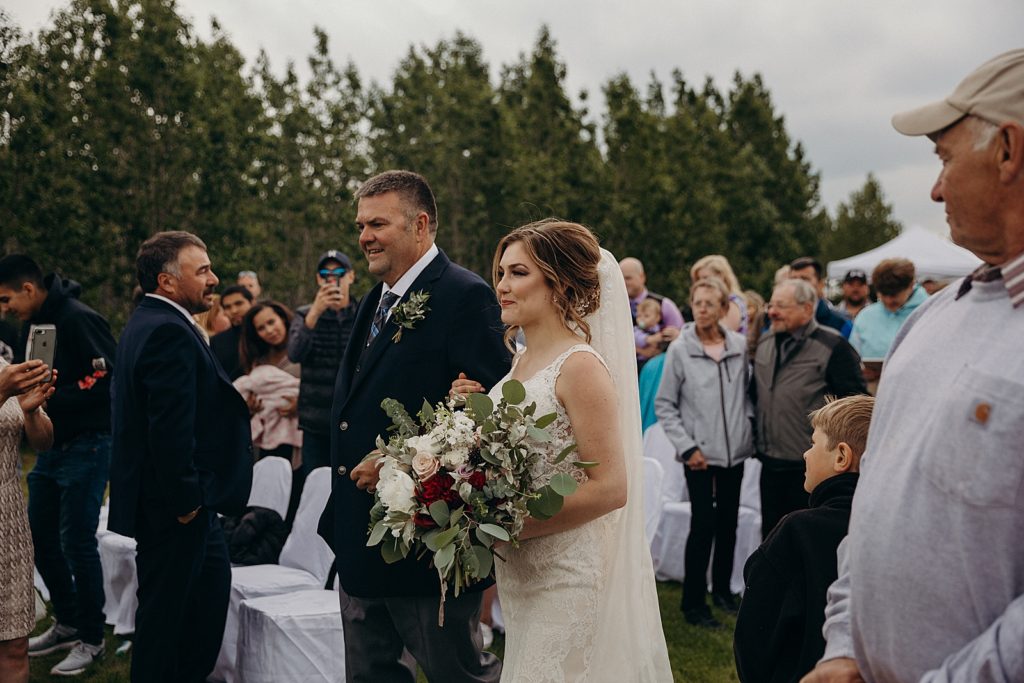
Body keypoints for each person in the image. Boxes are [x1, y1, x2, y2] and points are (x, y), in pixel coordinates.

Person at [804, 49, 1024, 683]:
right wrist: (844, 644)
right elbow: (873, 506)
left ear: (1009, 151)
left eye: (945, 158)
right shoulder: (932, 318)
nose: (933, 188)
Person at [454, 219, 672, 681]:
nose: (501, 286)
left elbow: (612, 488)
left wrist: (506, 524)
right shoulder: (520, 362)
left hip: (568, 575)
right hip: (523, 575)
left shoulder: (580, 367)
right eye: (500, 273)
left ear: (558, 283)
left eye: (518, 273)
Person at [318, 170, 510, 683]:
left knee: (457, 676)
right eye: (361, 225)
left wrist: (398, 461)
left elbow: (492, 418)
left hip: (426, 543)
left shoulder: (464, 295)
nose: (364, 236)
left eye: (378, 223)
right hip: (360, 535)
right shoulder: (373, 301)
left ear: (420, 224)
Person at [109, 231, 252, 683]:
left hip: (185, 507)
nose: (215, 279)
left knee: (200, 610)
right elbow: (168, 429)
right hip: (176, 510)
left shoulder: (152, 321)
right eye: (203, 270)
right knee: (168, 625)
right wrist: (188, 502)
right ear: (167, 282)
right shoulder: (166, 331)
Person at [0, 254, 116, 676]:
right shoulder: (31, 324)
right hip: (52, 445)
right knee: (40, 536)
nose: (5, 308)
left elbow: (105, 375)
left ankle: (92, 637)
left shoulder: (78, 318)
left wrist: (51, 397)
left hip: (88, 444)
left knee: (77, 542)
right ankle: (67, 622)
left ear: (28, 289)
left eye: (6, 298)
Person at [734, 394, 873, 683]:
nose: (806, 454)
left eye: (813, 443)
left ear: (841, 457)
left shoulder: (798, 531)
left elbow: (755, 636)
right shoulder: (889, 531)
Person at [655, 276, 754, 628]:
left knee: (728, 524)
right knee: (703, 526)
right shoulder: (681, 349)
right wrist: (688, 447)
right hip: (698, 456)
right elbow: (665, 404)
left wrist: (748, 429)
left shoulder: (740, 346)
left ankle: (724, 592)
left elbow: (748, 394)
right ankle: (693, 603)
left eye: (709, 304)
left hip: (735, 454)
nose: (702, 309)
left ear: (724, 309)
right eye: (697, 303)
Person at [752, 278, 865, 538]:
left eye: (782, 306)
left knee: (805, 539)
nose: (772, 311)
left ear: (807, 308)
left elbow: (854, 404)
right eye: (771, 304)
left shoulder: (833, 346)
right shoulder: (766, 341)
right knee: (771, 536)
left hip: (810, 467)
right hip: (770, 463)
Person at [0, 359, 55, 683]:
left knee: (15, 645)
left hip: (8, 519)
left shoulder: (2, 363)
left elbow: (43, 442)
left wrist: (32, 411)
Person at [288, 250, 359, 478]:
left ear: (351, 276)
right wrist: (315, 312)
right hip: (315, 423)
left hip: (354, 420)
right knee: (316, 487)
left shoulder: (363, 314)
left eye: (339, 272)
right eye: (325, 274)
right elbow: (294, 353)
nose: (332, 278)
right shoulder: (304, 315)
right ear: (319, 279)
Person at [849, 258, 928, 363]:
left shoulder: (929, 312)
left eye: (894, 295)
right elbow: (852, 357)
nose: (888, 300)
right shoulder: (865, 316)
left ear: (911, 285)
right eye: (883, 294)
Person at [619, 256, 684, 367]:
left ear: (642, 277)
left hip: (656, 368)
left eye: (628, 278)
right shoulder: (616, 305)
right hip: (625, 367)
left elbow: (682, 335)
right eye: (621, 278)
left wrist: (675, 335)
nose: (624, 283)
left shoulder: (663, 304)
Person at [789, 257, 853, 338]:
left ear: (820, 284)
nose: (798, 285)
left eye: (805, 279)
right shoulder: (779, 320)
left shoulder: (840, 323)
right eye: (793, 280)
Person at [691, 254, 749, 333]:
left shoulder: (733, 303)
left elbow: (722, 333)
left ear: (721, 276)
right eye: (698, 279)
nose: (702, 282)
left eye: (706, 278)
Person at [210, 284, 253, 380]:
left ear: (252, 303)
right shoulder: (217, 342)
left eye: (239, 304)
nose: (234, 311)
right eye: (228, 307)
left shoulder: (265, 334)